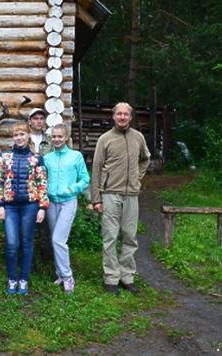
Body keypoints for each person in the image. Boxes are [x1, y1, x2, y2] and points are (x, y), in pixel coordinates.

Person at [91, 102, 150, 295]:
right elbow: (96, 169)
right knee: (110, 237)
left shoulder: (138, 137)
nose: (122, 117)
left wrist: (137, 178)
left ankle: (127, 277)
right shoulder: (105, 139)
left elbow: (145, 158)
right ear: (113, 116)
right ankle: (111, 278)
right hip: (110, 194)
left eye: (126, 114)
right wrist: (96, 198)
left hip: (131, 195)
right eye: (119, 114)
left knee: (130, 237)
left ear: (130, 117)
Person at [0, 122, 49, 295]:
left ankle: (23, 279)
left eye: (22, 134)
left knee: (26, 243)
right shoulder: (4, 157)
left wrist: (42, 207)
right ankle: (12, 279)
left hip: (30, 206)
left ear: (28, 136)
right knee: (11, 243)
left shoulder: (37, 159)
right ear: (13, 137)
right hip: (9, 207)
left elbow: (42, 184)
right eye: (16, 135)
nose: (19, 138)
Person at [44, 124, 89, 294]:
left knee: (58, 239)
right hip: (51, 202)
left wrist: (71, 189)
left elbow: (85, 179)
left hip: (68, 202)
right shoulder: (47, 158)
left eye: (59, 136)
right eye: (54, 136)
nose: (56, 139)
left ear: (66, 137)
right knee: (55, 239)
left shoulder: (75, 156)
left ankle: (68, 277)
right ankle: (60, 274)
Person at [28, 108, 53, 265]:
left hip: (46, 189)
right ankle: (29, 261)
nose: (38, 121)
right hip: (28, 189)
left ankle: (47, 261)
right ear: (30, 121)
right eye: (35, 118)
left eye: (41, 118)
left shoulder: (51, 140)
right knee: (27, 225)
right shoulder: (23, 138)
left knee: (46, 226)